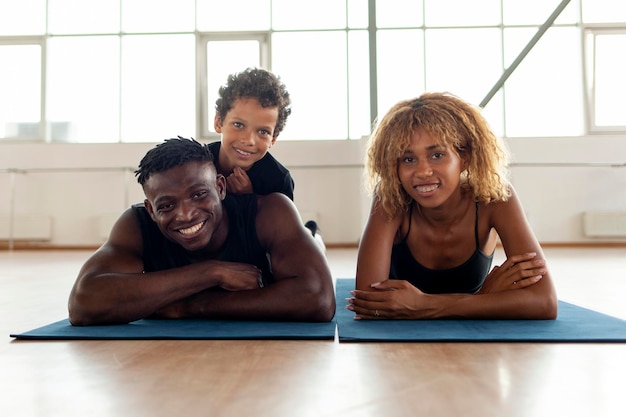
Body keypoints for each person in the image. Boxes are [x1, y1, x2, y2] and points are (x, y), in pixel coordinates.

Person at [68, 137, 335, 326]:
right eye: (167, 205)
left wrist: (193, 305)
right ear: (151, 210)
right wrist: (212, 272)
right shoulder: (136, 224)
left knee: (311, 242)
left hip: (294, 244)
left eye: (198, 194)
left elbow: (318, 298)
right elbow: (84, 302)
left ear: (220, 187)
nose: (185, 214)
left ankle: (313, 235)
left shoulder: (270, 210)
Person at [348, 92, 558, 320]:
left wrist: (424, 305)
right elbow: (368, 304)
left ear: (464, 158)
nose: (423, 172)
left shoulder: (495, 198)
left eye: (437, 155)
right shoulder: (391, 198)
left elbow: (545, 302)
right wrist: (483, 298)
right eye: (408, 160)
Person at [210, 67, 324, 248]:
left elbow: (280, 236)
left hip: (253, 245)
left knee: (307, 241)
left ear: (273, 139)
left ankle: (312, 233)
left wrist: (250, 197)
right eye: (238, 125)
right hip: (217, 245)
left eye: (263, 131)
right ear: (218, 123)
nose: (248, 140)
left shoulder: (278, 178)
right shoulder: (198, 162)